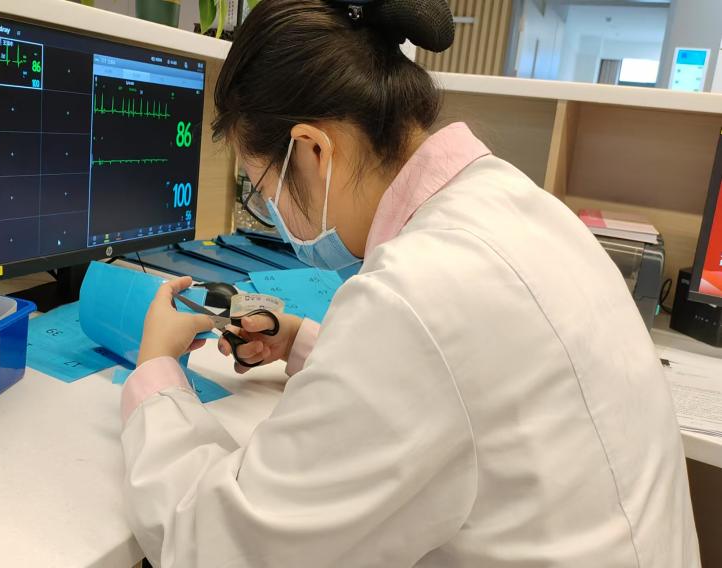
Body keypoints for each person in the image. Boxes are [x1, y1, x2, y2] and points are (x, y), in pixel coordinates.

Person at [119, 0, 700, 565]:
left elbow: (217, 546)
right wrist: (308, 344)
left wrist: (157, 375)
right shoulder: (520, 205)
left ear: (313, 150)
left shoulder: (413, 298)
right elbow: (465, 383)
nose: (270, 210)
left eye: (262, 188)